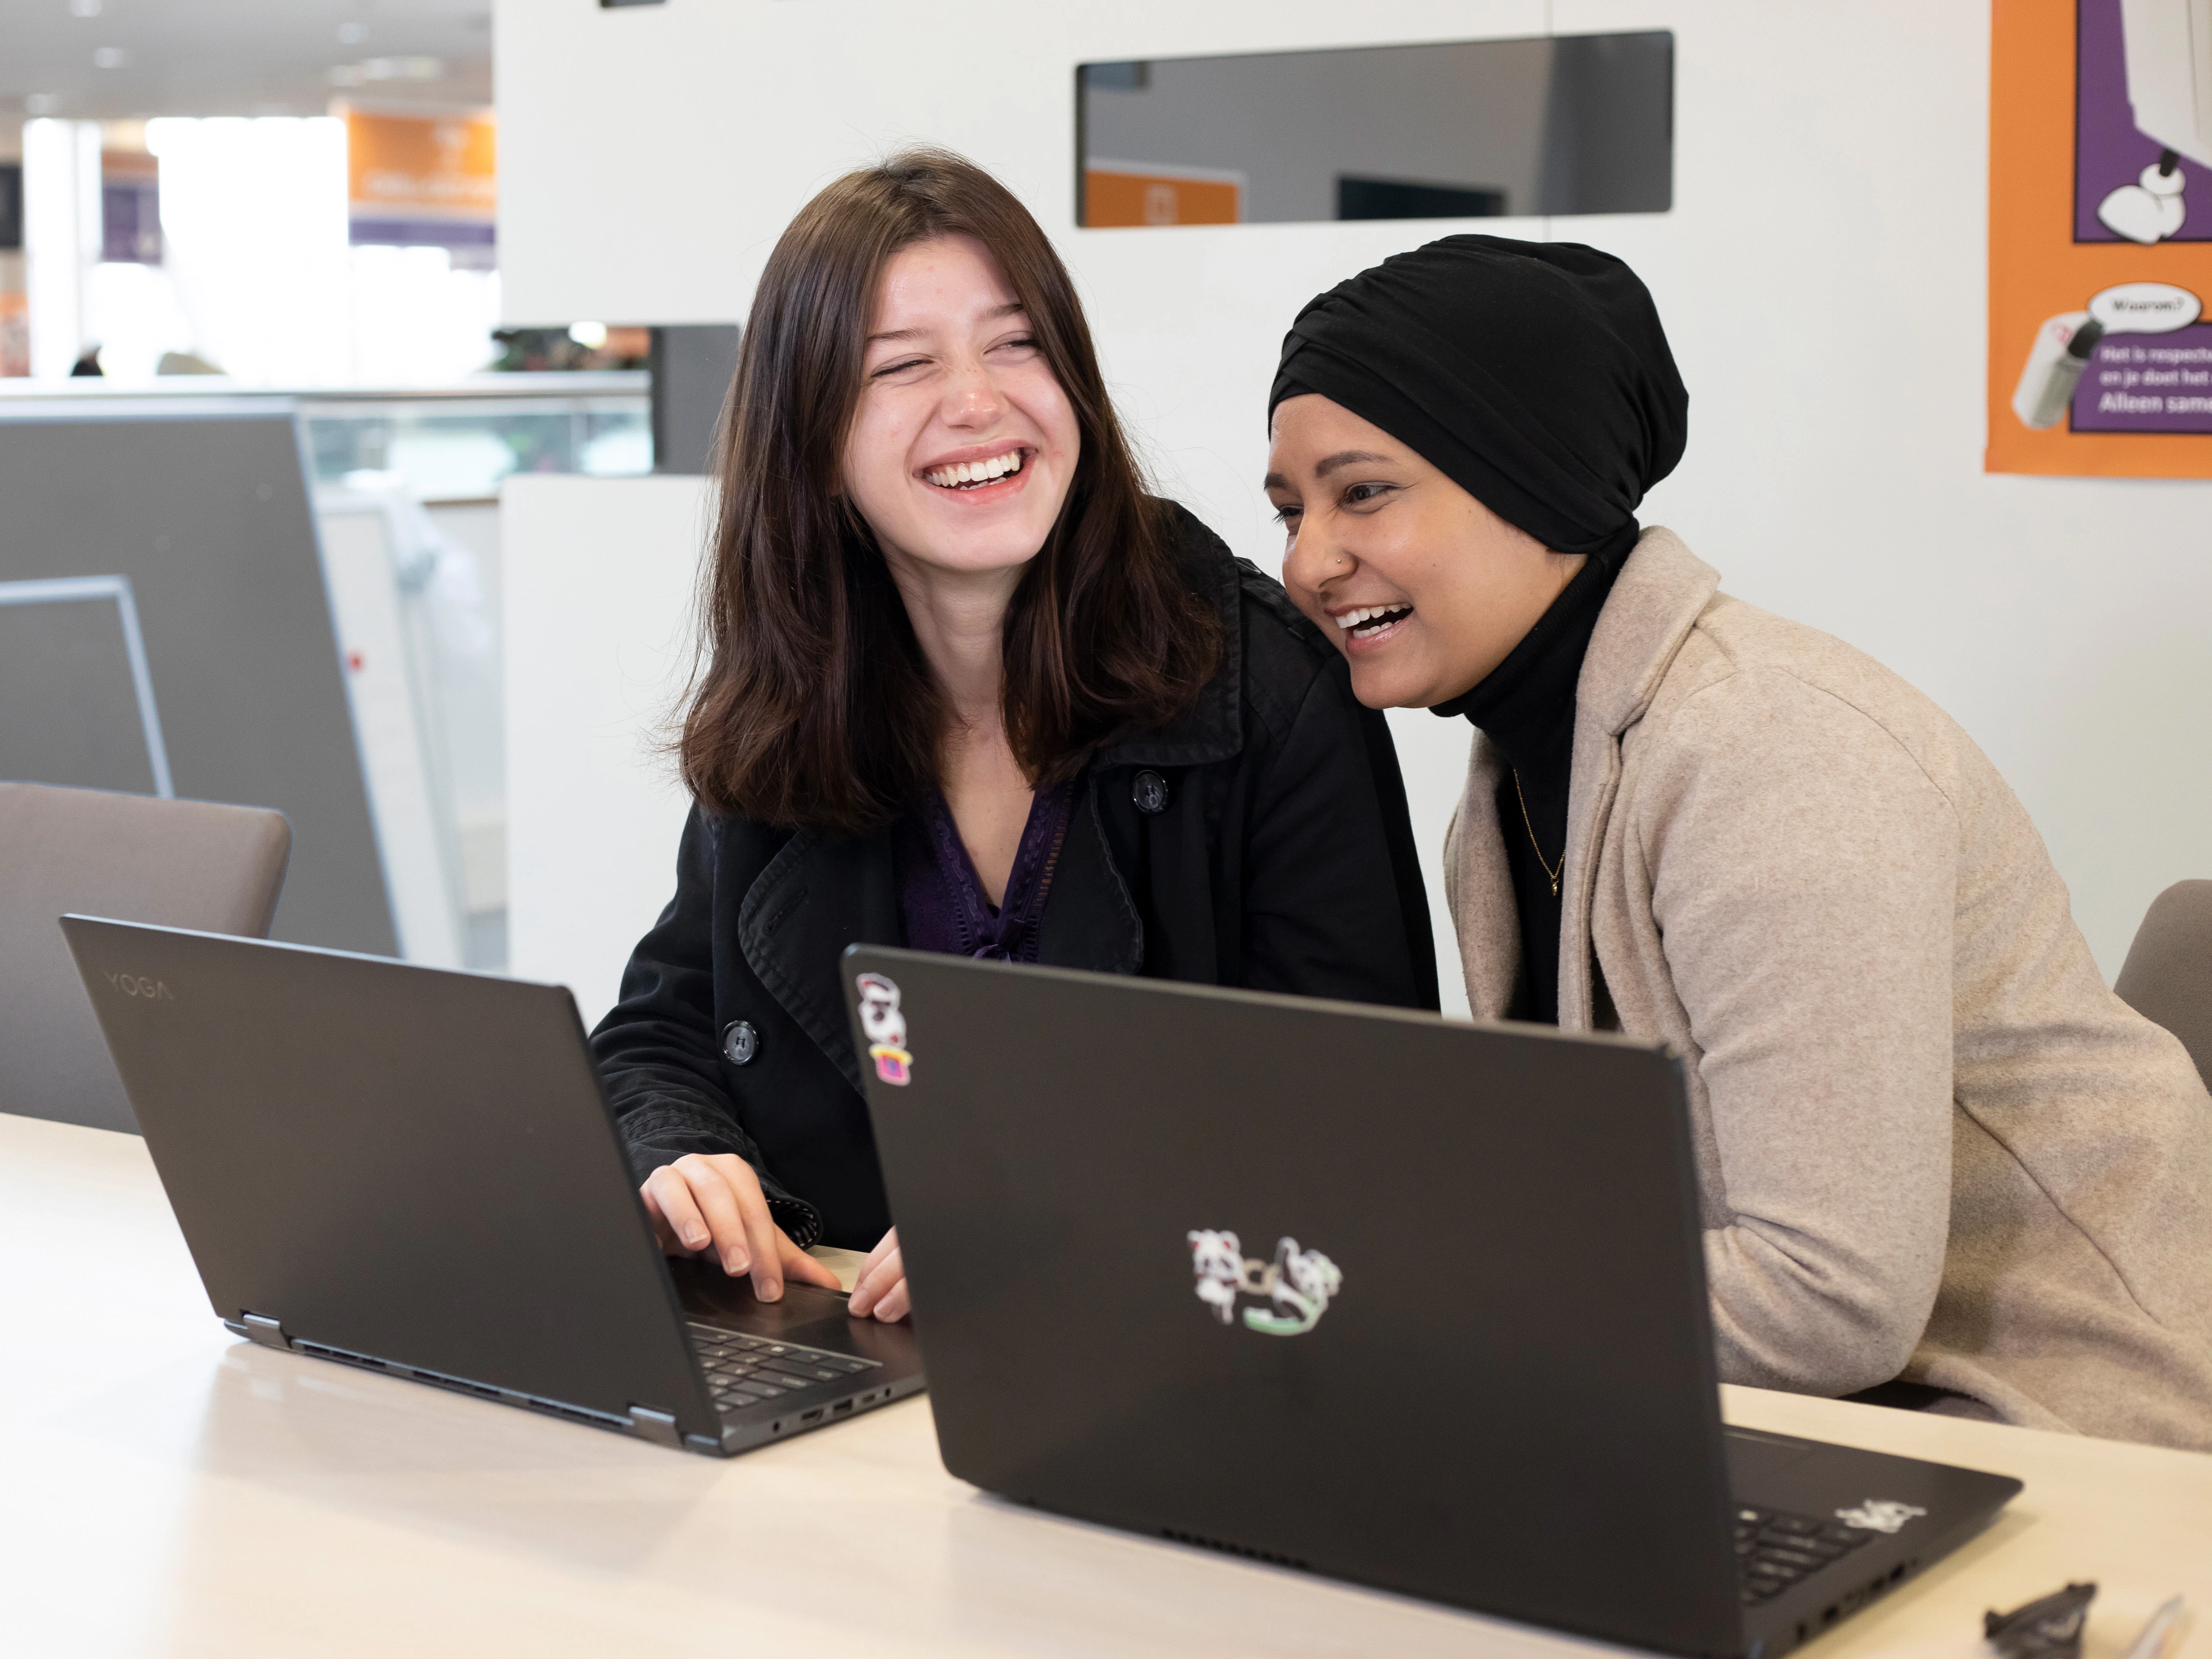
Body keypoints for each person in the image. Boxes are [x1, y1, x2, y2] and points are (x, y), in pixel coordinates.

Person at [1263, 233, 2212, 1449]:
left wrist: (1414, 1301)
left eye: (1362, 492)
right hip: (1816, 1419)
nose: (1307, 560)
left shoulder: (1770, 751)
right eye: (1289, 510)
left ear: (1533, 477)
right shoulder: (1512, 785)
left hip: (2081, 1429)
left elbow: (1830, 1299)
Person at [592, 151, 1438, 1323]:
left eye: (1016, 344)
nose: (977, 401)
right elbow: (664, 1026)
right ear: (812, 442)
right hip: (858, 1356)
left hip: (1174, 1362)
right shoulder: (794, 700)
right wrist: (677, 1152)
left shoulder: (1262, 686)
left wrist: (1065, 1215)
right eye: (903, 365)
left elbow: (1364, 1117)